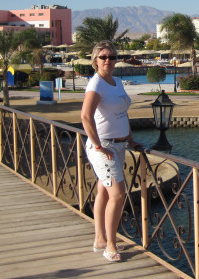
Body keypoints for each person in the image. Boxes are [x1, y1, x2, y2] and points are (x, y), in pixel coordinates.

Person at [81, 40, 142, 262]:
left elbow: (122, 114)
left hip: (119, 145)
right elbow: (85, 117)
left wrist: (130, 140)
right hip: (104, 147)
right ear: (95, 60)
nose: (108, 60)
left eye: (112, 57)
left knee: (104, 191)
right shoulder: (96, 84)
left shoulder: (117, 82)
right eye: (103, 57)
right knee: (118, 194)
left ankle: (100, 239)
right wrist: (98, 146)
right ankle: (111, 245)